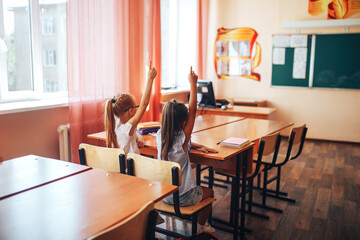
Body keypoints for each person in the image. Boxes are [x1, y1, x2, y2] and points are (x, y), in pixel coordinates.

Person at [156, 67, 218, 233]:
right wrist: (193, 83)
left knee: (197, 188)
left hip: (162, 194)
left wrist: (197, 146)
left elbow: (187, 116)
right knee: (210, 191)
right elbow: (193, 110)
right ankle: (200, 228)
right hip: (181, 197)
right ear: (183, 123)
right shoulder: (183, 138)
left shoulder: (160, 135)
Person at [104, 61, 157, 154]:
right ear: (131, 111)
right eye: (136, 106)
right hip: (131, 168)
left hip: (119, 168)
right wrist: (150, 78)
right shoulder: (127, 128)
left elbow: (132, 132)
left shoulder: (115, 124)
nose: (138, 108)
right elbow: (144, 104)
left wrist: (137, 136)